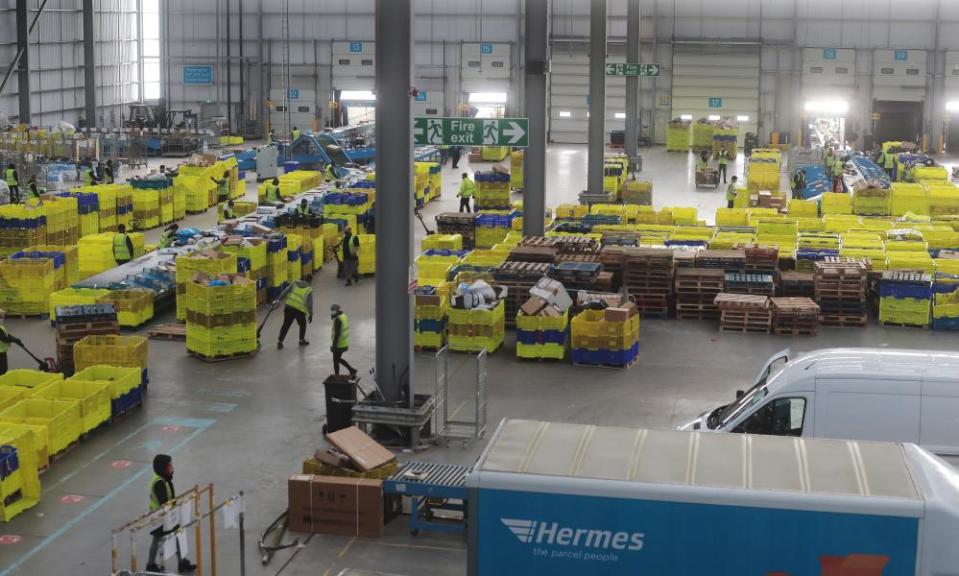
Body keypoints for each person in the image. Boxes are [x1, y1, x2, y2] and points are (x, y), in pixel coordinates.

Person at [146, 454, 196, 574]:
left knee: (175, 536)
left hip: (167, 514)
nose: (172, 468)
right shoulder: (159, 483)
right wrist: (175, 511)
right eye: (169, 466)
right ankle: (151, 565)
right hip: (160, 516)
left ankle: (181, 562)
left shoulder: (164, 479)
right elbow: (165, 502)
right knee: (158, 539)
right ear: (162, 468)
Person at [277, 280, 313, 349]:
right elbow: (310, 304)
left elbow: (285, 291)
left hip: (289, 307)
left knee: (286, 325)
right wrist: (311, 314)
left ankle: (280, 341)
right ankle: (301, 340)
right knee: (303, 324)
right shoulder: (309, 290)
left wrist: (278, 299)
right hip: (299, 310)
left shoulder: (294, 283)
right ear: (309, 283)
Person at [329, 304, 356, 377]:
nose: (332, 312)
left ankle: (337, 375)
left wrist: (334, 346)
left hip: (339, 344)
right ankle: (351, 370)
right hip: (344, 342)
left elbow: (337, 334)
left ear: (337, 311)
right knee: (338, 359)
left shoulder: (338, 319)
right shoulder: (343, 316)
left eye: (333, 311)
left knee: (336, 360)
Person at [0, 310, 22, 376]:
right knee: (3, 370)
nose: (3, 319)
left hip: (2, 351)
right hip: (0, 352)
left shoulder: (1, 326)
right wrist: (14, 340)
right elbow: (4, 338)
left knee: (3, 369)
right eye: (2, 317)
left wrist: (15, 339)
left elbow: (6, 334)